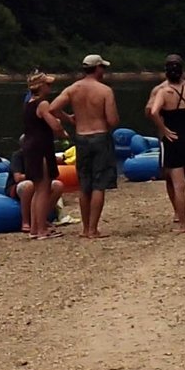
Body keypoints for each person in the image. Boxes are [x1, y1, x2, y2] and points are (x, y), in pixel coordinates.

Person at [55, 55, 122, 239]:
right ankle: (93, 229)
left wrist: (69, 118)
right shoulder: (105, 91)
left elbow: (53, 108)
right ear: (98, 68)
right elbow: (113, 120)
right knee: (99, 184)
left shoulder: (73, 89)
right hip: (100, 136)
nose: (104, 71)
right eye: (103, 68)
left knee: (85, 184)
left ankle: (85, 229)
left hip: (81, 137)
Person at [146, 56, 185, 229]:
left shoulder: (162, 90)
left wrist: (164, 129)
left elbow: (152, 111)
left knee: (178, 184)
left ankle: (182, 221)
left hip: (172, 137)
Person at [15, 72, 64, 238]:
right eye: (48, 85)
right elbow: (54, 126)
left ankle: (35, 229)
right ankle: (42, 229)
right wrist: (62, 130)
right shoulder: (42, 104)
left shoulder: (28, 103)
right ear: (41, 86)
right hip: (41, 147)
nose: (50, 87)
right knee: (43, 189)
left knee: (38, 190)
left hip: (31, 147)